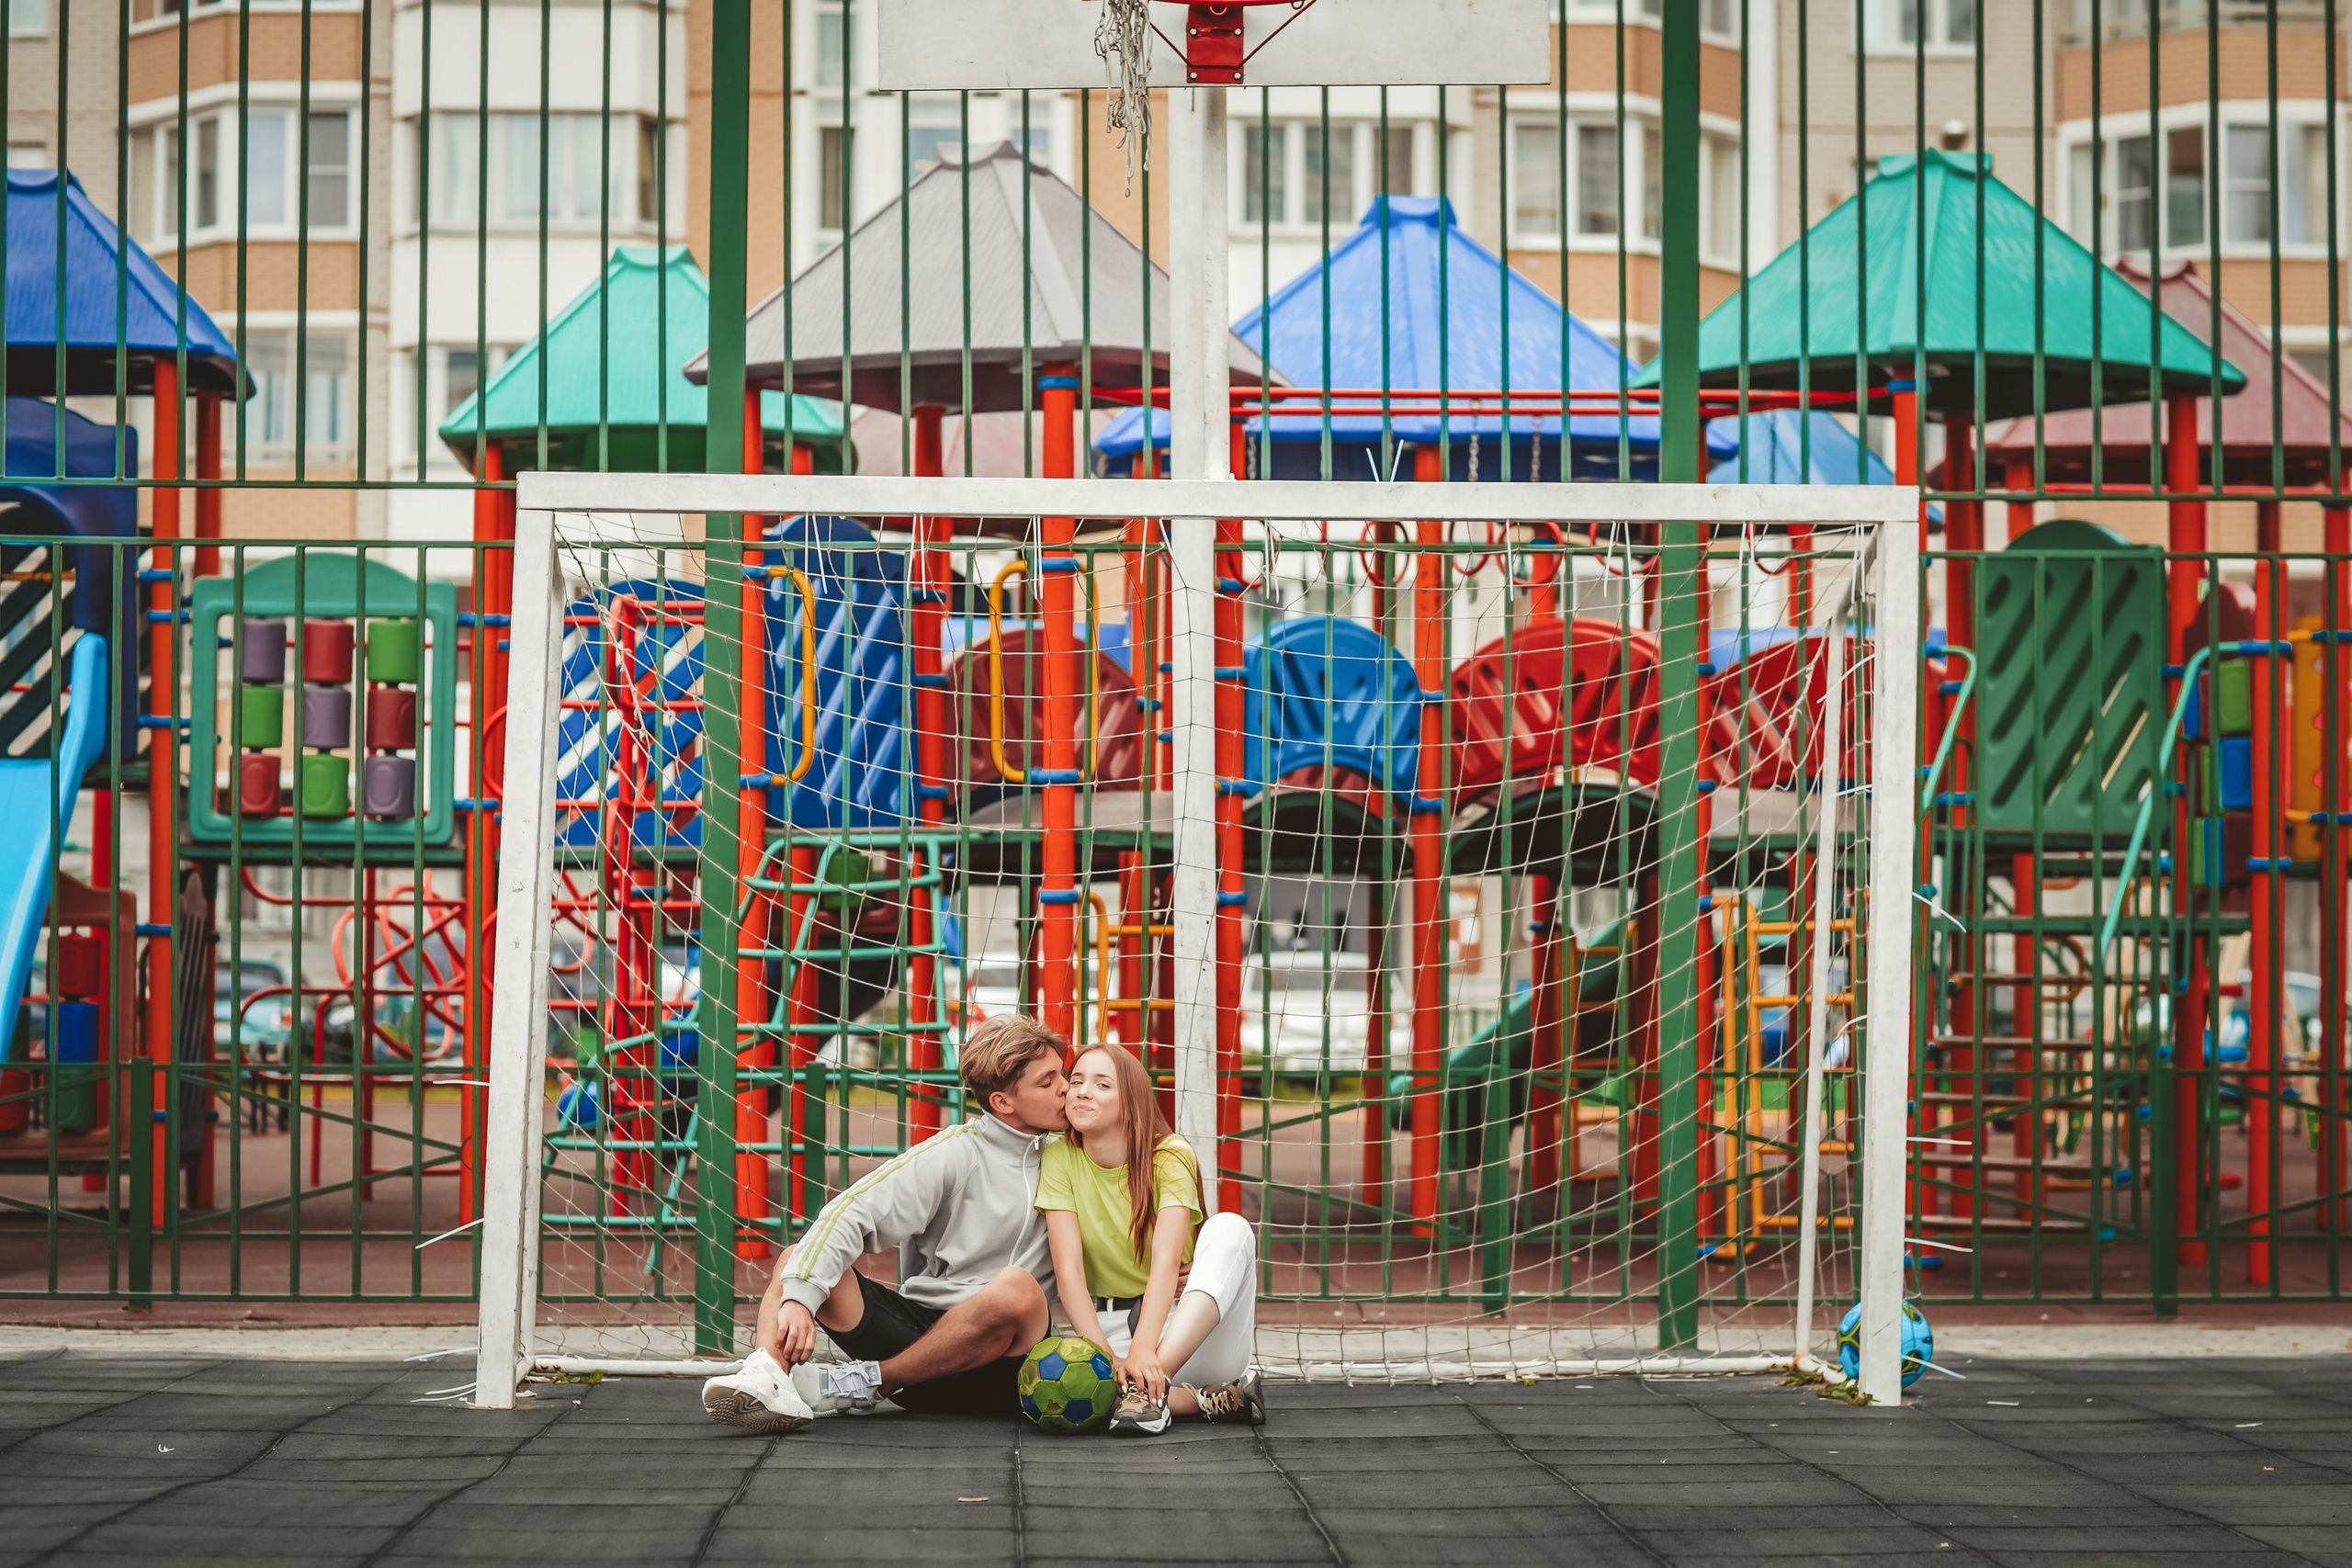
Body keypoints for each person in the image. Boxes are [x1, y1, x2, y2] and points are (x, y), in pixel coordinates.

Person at [701, 1014, 1069, 1433]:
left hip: (1008, 1371)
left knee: (1017, 1288)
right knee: (796, 1260)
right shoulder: (955, 1154)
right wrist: (799, 1300)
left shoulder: (1073, 1158)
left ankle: (861, 1383)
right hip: (918, 1346)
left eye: (1063, 1074)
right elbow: (850, 1212)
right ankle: (768, 1376)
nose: (1066, 1088)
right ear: (1002, 1102)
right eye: (1048, 1081)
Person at [1038, 1043, 1264, 1436]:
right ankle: (1202, 1400)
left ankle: (1147, 1392)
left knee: (1230, 1226)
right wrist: (1104, 1358)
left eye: (1102, 1084)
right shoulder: (1059, 1157)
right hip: (1109, 1334)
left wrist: (1145, 1351)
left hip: (1187, 1334)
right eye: (1076, 1081)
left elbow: (1165, 1261)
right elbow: (1069, 1272)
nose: (1083, 1091)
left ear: (1132, 1102)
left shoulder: (1170, 1154)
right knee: (1063, 1396)